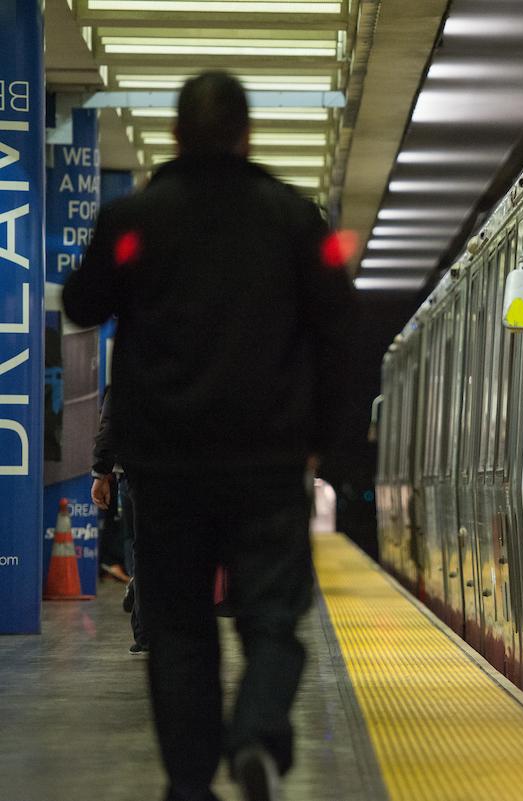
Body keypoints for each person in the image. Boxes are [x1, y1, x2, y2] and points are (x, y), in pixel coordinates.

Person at [63, 71, 356, 801]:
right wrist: (323, 440)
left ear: (174, 135)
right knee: (271, 618)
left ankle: (190, 782)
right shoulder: (294, 219)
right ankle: (255, 736)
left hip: (166, 469)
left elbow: (81, 300)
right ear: (246, 134)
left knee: (181, 629)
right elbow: (341, 332)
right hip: (267, 462)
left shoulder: (135, 219)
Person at [91, 386, 148, 654]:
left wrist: (101, 472)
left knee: (146, 548)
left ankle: (147, 632)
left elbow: (112, 420)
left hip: (139, 470)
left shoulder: (135, 355)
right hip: (188, 471)